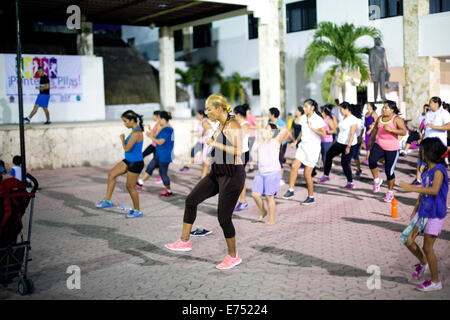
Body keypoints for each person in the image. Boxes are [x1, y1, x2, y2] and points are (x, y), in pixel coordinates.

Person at [165, 94, 246, 270]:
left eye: (209, 109)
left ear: (219, 109)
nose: (206, 112)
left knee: (224, 217)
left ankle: (233, 256)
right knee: (191, 200)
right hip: (217, 172)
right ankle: (185, 241)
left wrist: (215, 144)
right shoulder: (220, 124)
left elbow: (238, 150)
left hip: (232, 175)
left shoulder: (234, 125)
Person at [399, 137, 448, 292]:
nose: (419, 152)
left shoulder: (439, 170)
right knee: (408, 239)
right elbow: (424, 192)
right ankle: (424, 263)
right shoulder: (426, 169)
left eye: (422, 150)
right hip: (423, 212)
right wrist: (416, 208)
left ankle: (435, 281)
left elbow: (433, 190)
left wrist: (411, 188)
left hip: (435, 214)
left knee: (428, 248)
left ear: (429, 153)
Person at [96, 110, 144, 218]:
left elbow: (127, 148)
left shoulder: (137, 132)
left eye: (125, 121)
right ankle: (107, 201)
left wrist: (122, 139)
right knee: (111, 174)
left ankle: (137, 211)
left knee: (130, 187)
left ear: (132, 120)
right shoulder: (134, 130)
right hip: (128, 161)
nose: (124, 123)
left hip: (135, 163)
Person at [282, 99, 326, 205]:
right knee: (294, 166)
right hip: (302, 146)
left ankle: (311, 197)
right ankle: (291, 190)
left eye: (306, 106)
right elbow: (303, 130)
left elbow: (324, 134)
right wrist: (296, 141)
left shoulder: (318, 119)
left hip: (313, 149)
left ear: (312, 108)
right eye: (304, 106)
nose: (304, 108)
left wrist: (312, 129)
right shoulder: (303, 118)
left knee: (307, 174)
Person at [367, 100, 407, 202]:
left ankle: (390, 192)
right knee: (371, 160)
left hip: (392, 148)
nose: (383, 109)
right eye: (383, 107)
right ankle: (377, 180)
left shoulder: (397, 119)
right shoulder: (380, 118)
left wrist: (392, 130)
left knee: (389, 171)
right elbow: (375, 129)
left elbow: (404, 131)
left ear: (392, 110)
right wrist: (370, 140)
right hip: (379, 144)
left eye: (386, 108)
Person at [318, 102, 362, 189]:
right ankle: (326, 176)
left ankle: (350, 182)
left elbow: (352, 134)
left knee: (344, 163)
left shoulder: (353, 119)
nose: (340, 111)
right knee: (329, 155)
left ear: (346, 110)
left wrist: (348, 147)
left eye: (341, 109)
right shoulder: (344, 117)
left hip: (349, 144)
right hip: (339, 142)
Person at [252, 123, 288, 225]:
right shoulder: (260, 143)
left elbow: (285, 130)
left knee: (269, 196)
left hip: (272, 173)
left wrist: (275, 127)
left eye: (266, 129)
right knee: (255, 194)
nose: (264, 130)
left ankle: (271, 219)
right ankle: (263, 211)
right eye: (264, 128)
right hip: (261, 173)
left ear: (272, 132)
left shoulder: (275, 142)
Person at [136, 111, 175, 197]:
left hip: (164, 155)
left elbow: (160, 142)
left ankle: (169, 191)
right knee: (150, 166)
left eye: (159, 119)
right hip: (159, 154)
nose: (158, 120)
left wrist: (151, 137)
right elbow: (157, 137)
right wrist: (151, 134)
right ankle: (140, 182)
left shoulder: (168, 129)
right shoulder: (163, 128)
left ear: (163, 119)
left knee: (163, 174)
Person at [179, 110, 212, 179]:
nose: (196, 116)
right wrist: (195, 132)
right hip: (200, 142)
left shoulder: (204, 121)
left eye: (197, 114)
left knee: (204, 159)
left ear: (201, 115)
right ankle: (189, 166)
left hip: (204, 142)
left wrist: (202, 134)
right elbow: (203, 129)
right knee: (193, 152)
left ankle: (205, 175)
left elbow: (207, 128)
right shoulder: (201, 121)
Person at [234, 105, 250, 212]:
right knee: (238, 178)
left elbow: (239, 138)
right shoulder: (239, 124)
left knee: (240, 178)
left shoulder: (244, 125)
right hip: (239, 153)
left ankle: (243, 201)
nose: (234, 116)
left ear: (238, 114)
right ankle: (241, 200)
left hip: (242, 154)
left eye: (235, 114)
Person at [268, 107, 287, 186]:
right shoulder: (269, 121)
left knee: (279, 161)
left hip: (280, 145)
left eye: (269, 114)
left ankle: (280, 179)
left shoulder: (281, 123)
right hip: (271, 144)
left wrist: (281, 142)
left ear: (273, 115)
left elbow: (287, 133)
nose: (268, 115)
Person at [319, 104, 337, 169]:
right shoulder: (320, 119)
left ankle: (326, 173)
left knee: (325, 157)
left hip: (327, 141)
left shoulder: (328, 119)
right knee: (323, 156)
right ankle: (325, 171)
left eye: (319, 111)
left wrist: (325, 132)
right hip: (320, 140)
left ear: (323, 112)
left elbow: (334, 130)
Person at [245, 104, 258, 173]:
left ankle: (251, 166)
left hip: (251, 136)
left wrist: (248, 127)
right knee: (246, 151)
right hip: (244, 137)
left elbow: (257, 126)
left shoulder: (252, 117)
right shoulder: (244, 117)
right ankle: (250, 165)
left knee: (248, 151)